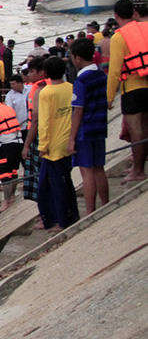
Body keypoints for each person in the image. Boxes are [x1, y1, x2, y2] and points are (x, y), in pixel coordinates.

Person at [107, 0, 148, 183]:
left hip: (132, 89)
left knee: (136, 131)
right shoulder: (146, 27)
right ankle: (138, 166)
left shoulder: (119, 37)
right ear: (134, 13)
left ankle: (138, 171)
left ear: (116, 16)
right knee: (145, 128)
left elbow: (114, 70)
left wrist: (109, 97)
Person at [37, 57, 80, 232]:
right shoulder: (71, 87)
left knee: (54, 187)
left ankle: (62, 222)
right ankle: (67, 217)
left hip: (53, 147)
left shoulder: (46, 93)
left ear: (45, 73)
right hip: (68, 140)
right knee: (62, 183)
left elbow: (44, 121)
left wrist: (43, 145)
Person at [68, 38, 109, 215]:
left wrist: (71, 139)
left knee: (87, 171)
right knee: (99, 167)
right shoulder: (101, 74)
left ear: (77, 58)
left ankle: (90, 211)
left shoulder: (80, 81)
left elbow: (78, 111)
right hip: (100, 127)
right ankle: (106, 204)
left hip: (85, 130)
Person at [21, 58, 48, 206]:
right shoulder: (64, 86)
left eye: (32, 72)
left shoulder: (40, 91)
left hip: (40, 138)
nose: (29, 75)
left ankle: (46, 214)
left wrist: (26, 145)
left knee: (40, 179)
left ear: (42, 72)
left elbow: (36, 120)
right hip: (53, 136)